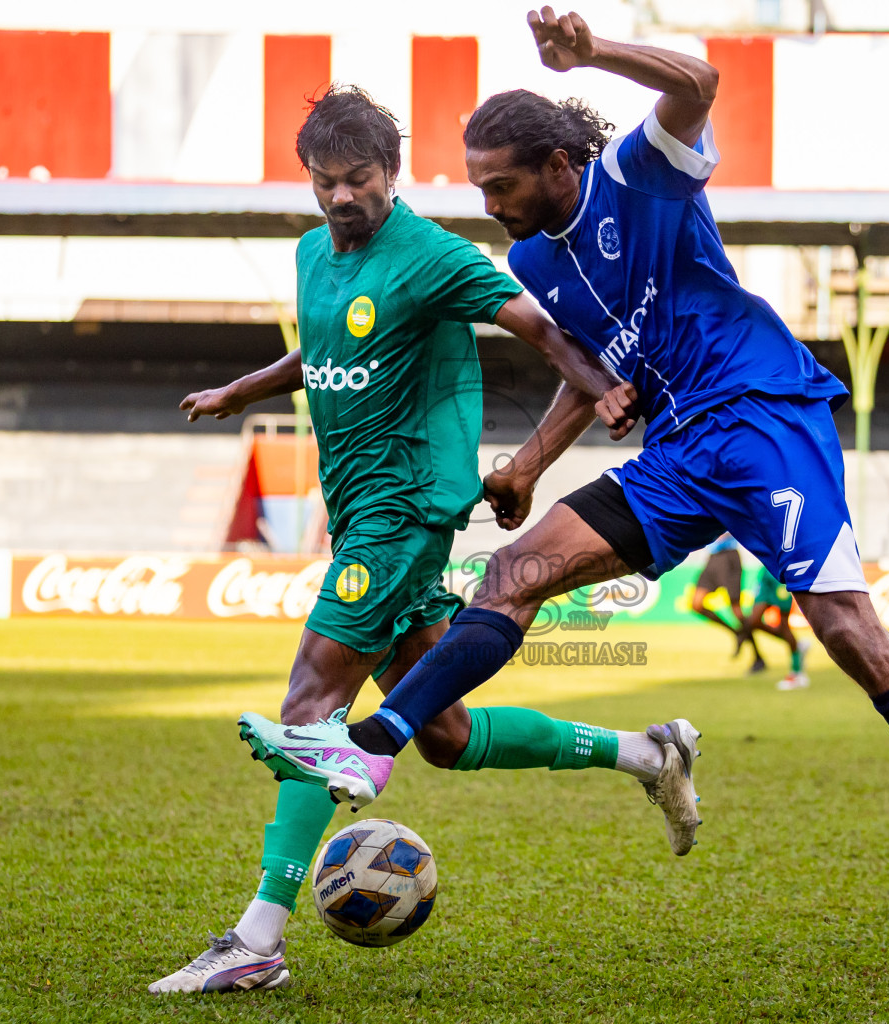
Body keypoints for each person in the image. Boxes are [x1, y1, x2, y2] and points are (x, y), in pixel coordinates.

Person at [240, 10, 889, 965]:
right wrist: (530, 464)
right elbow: (598, 376)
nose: (489, 203)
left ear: (558, 165)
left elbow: (698, 84)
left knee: (849, 635)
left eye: (502, 184)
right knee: (513, 576)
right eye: (479, 184)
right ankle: (376, 740)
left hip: (765, 417)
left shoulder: (637, 175)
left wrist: (594, 55)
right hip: (678, 454)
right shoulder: (533, 261)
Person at [149, 85, 701, 996]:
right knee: (442, 732)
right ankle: (650, 754)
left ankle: (256, 940)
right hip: (360, 508)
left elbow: (535, 324)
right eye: (323, 182)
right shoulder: (311, 254)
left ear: (390, 174)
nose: (339, 198)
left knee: (311, 701)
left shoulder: (435, 254)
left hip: (402, 511)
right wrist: (242, 392)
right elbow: (319, 347)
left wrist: (602, 385)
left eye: (357, 180)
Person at [689, 533, 763, 669]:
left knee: (736, 609)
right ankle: (736, 632)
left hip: (729, 557)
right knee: (696, 604)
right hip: (713, 557)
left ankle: (758, 657)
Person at [745, 562, 814, 690]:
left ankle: (797, 673)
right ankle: (797, 645)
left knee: (783, 625)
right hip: (766, 570)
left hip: (781, 570)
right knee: (752, 621)